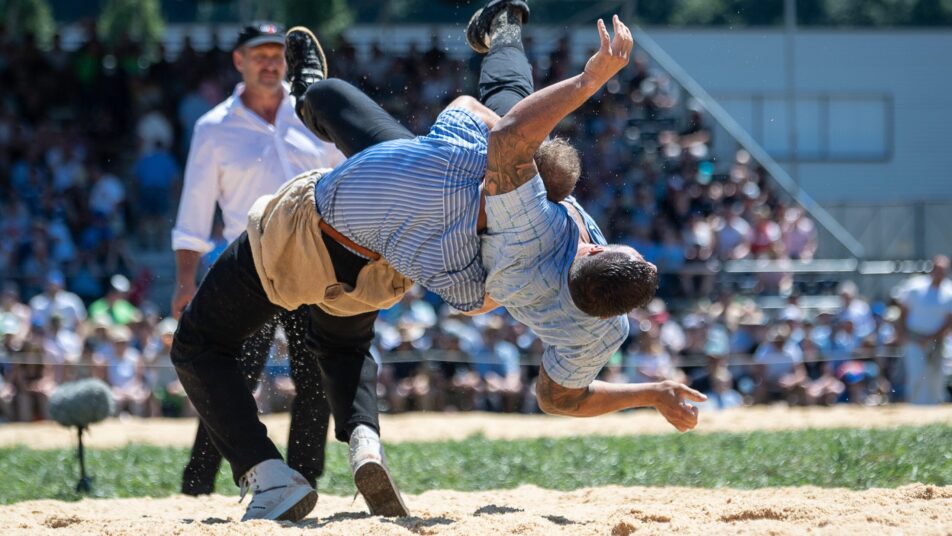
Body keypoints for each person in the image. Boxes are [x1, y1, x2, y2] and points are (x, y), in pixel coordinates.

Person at [170, 22, 340, 499]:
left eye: (277, 54)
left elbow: (342, 179)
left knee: (316, 377)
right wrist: (186, 282)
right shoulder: (213, 128)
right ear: (238, 62)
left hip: (312, 262)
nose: (270, 62)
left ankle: (304, 478)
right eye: (259, 54)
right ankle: (198, 485)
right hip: (246, 267)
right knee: (229, 376)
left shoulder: (312, 109)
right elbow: (194, 213)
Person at [895, 255, 952, 404]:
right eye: (937, 269)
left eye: (943, 270)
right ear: (931, 269)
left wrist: (932, 338)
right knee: (916, 374)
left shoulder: (949, 291)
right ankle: (915, 408)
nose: (939, 273)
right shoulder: (915, 287)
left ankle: (933, 410)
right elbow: (903, 311)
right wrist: (903, 334)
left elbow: (949, 320)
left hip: (937, 341)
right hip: (914, 338)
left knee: (936, 377)